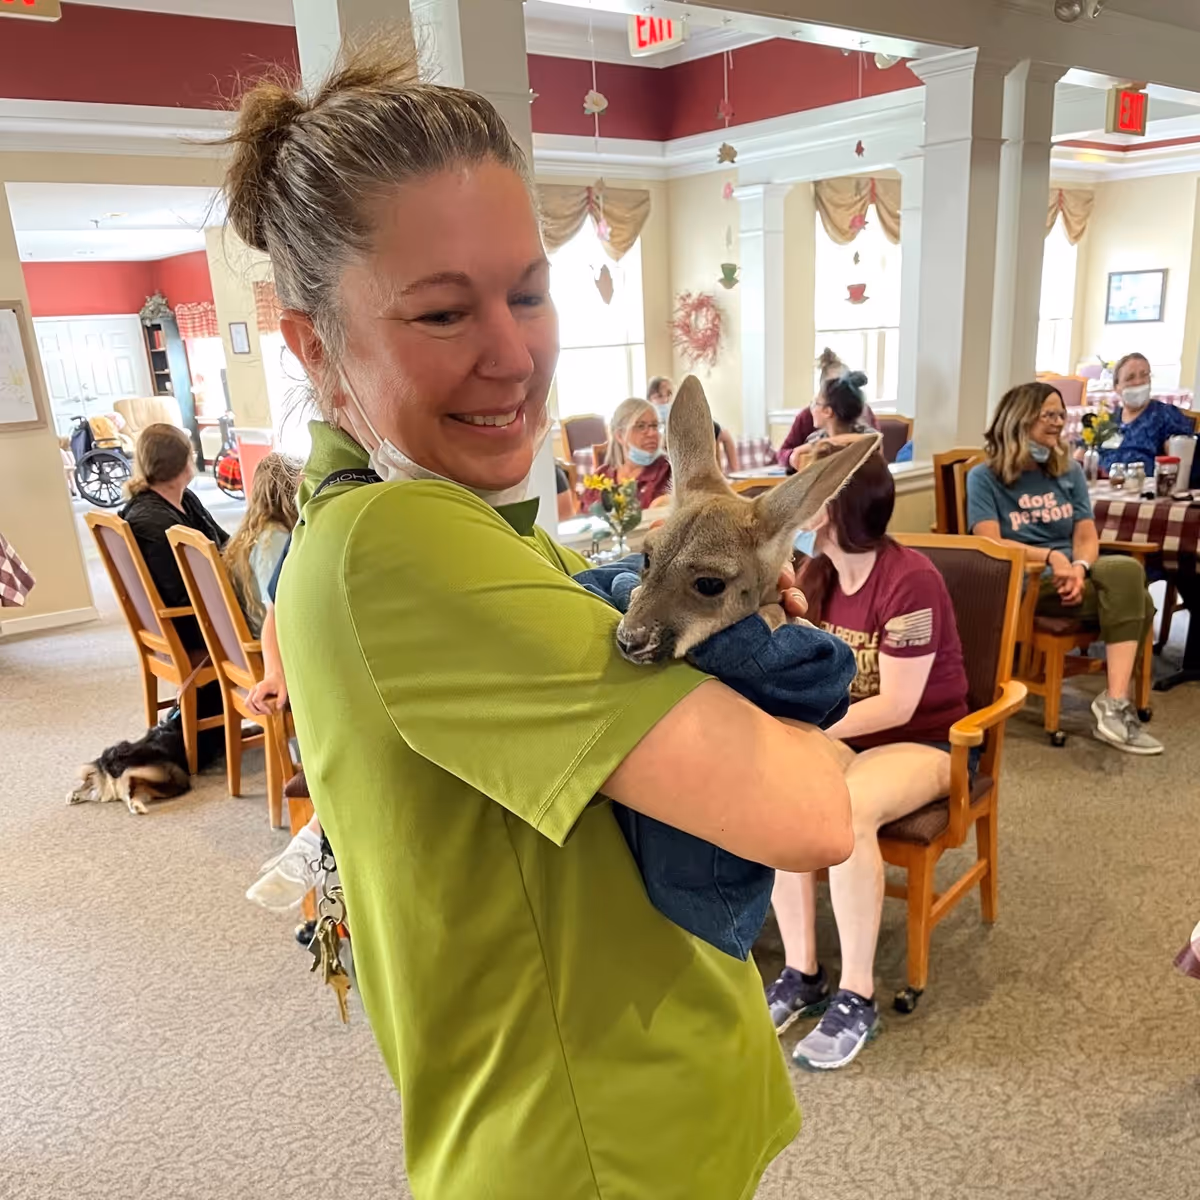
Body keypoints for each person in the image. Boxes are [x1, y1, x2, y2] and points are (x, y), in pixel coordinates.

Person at [223, 37, 856, 1200]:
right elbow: (815, 811)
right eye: (442, 314)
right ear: (315, 348)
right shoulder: (396, 547)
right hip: (594, 1144)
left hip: (633, 1100)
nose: (514, 356)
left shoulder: (443, 522)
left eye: (528, 291)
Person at [765, 439, 971, 1069]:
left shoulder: (910, 579)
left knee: (846, 808)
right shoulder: (814, 574)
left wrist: (814, 730)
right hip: (848, 735)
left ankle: (858, 992)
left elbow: (900, 706)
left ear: (834, 503)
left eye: (804, 486)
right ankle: (802, 972)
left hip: (926, 742)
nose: (788, 495)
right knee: (778, 790)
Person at [967, 381, 1161, 755]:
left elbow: (1087, 535)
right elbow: (990, 543)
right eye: (1049, 415)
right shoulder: (984, 477)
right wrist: (1052, 559)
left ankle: (1115, 701)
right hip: (1027, 582)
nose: (1058, 423)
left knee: (1124, 571)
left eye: (1061, 414)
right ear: (1019, 419)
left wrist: (1079, 567)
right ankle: (1113, 707)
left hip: (1071, 576)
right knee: (1138, 599)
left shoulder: (1068, 471)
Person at [118, 422, 228, 655]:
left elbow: (223, 541)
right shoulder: (154, 524)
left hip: (205, 610)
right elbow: (181, 594)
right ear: (183, 462)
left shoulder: (184, 499)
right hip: (195, 624)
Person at [222, 451, 301, 636]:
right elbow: (279, 611)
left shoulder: (253, 531)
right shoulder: (274, 540)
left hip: (261, 633)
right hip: (270, 645)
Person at [1091, 353, 1198, 485]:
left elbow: (1181, 460)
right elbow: (1081, 457)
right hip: (1103, 488)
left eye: (1144, 375)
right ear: (1116, 387)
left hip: (1145, 491)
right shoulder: (1107, 421)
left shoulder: (1164, 415)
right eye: (1130, 377)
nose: (1138, 382)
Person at [775, 348, 879, 471]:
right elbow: (784, 452)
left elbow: (874, 440)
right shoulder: (811, 427)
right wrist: (795, 454)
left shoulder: (867, 430)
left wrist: (814, 446)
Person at [581, 396, 673, 510]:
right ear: (620, 435)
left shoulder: (669, 472)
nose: (652, 433)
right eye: (641, 426)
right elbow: (582, 518)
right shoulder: (601, 476)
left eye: (655, 425)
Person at [649, 375, 740, 472]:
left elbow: (726, 436)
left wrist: (735, 472)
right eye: (659, 396)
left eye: (669, 394)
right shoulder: (648, 428)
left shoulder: (685, 421)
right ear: (649, 399)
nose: (665, 400)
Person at [805, 370, 873, 445]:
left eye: (816, 403)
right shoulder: (871, 438)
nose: (812, 409)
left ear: (827, 411)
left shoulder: (871, 439)